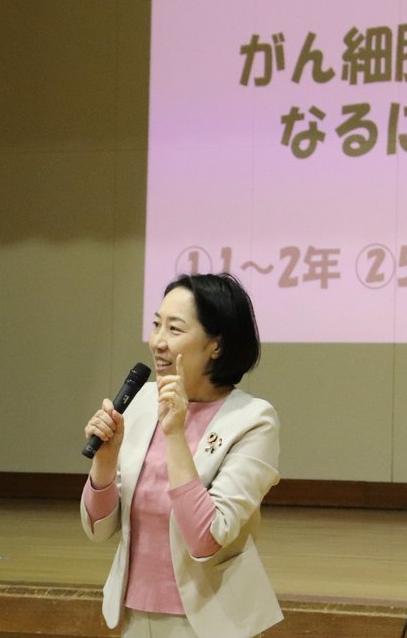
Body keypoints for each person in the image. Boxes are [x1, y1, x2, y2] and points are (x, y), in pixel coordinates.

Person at [80, 273, 282, 638]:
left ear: (215, 345)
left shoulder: (253, 420)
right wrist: (105, 461)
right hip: (133, 613)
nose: (158, 342)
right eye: (156, 325)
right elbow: (98, 530)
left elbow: (206, 539)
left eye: (174, 329)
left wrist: (174, 434)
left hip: (212, 621)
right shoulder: (143, 402)